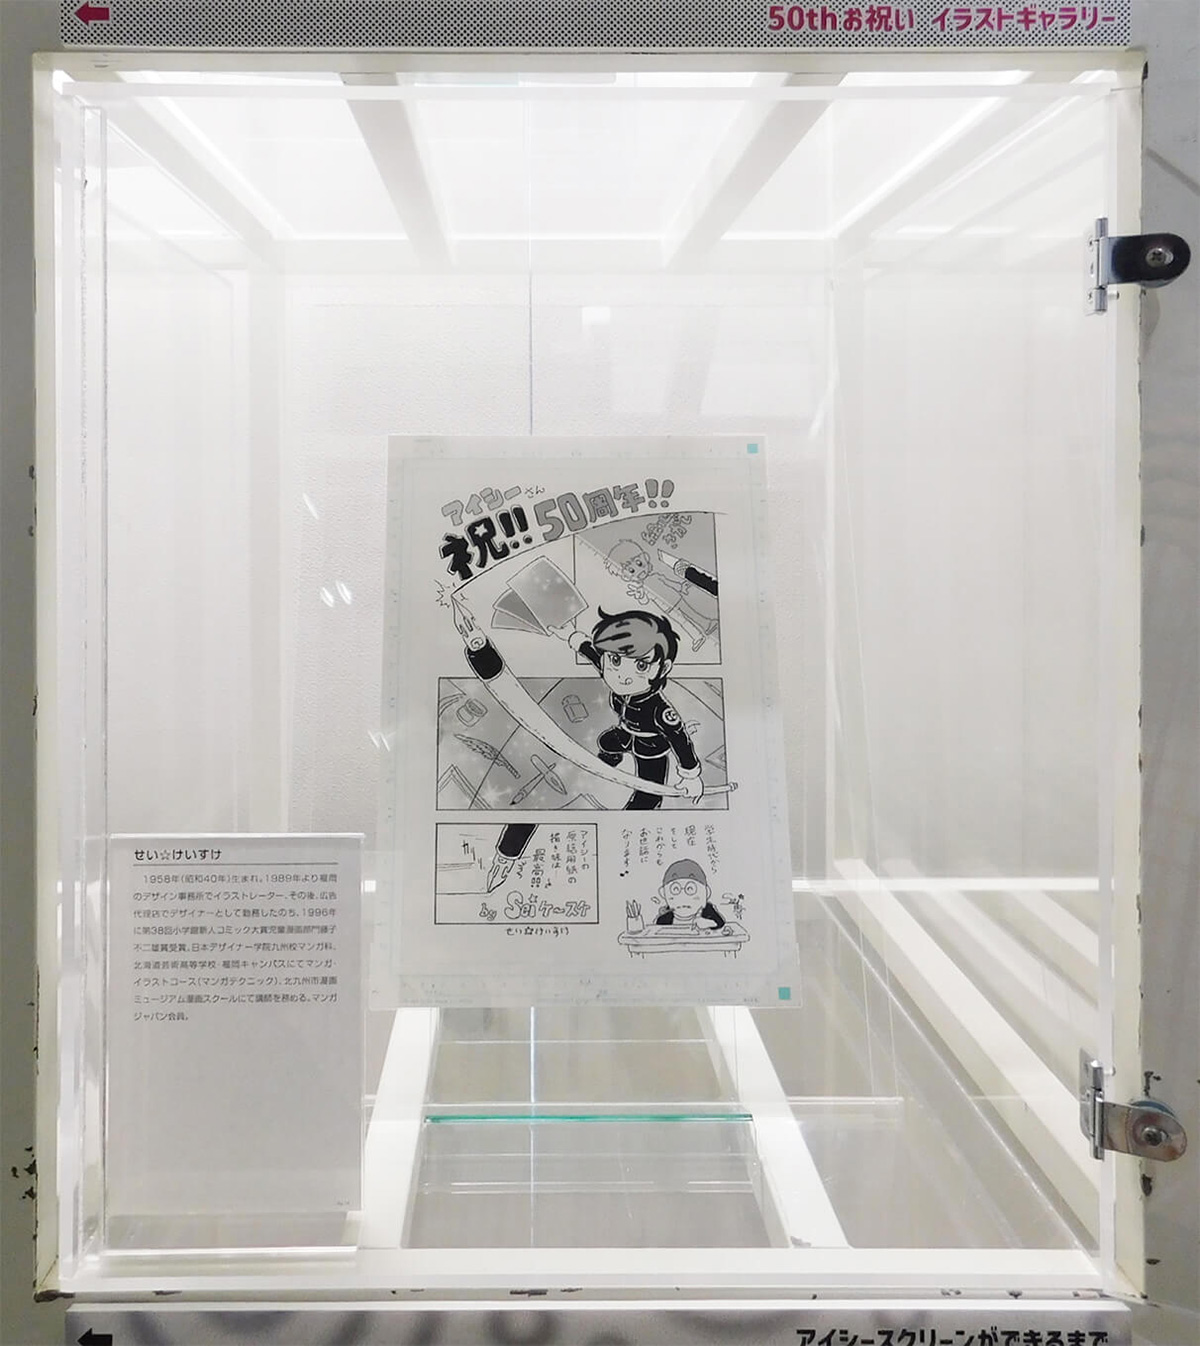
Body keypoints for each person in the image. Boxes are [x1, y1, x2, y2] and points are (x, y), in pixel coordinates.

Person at [564, 608, 703, 810]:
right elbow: (595, 656)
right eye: (615, 660)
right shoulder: (611, 671)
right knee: (607, 742)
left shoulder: (660, 710)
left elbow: (679, 740)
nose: (623, 676)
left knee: (649, 792)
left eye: (641, 666)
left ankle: (640, 810)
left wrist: (691, 775)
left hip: (651, 747)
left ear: (663, 668)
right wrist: (577, 640)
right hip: (626, 733)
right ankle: (612, 758)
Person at [652, 859, 725, 930]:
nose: (682, 896)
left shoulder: (707, 910)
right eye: (675, 889)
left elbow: (720, 923)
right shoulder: (664, 918)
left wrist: (708, 923)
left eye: (690, 889)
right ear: (663, 893)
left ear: (707, 892)